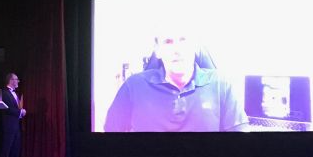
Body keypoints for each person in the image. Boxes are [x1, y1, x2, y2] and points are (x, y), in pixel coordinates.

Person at [103, 29, 246, 132]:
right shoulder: (133, 86)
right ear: (157, 51)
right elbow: (111, 136)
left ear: (195, 46)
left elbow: (239, 145)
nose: (177, 49)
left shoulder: (222, 85)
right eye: (168, 42)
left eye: (183, 40)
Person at [0, 72, 26, 157]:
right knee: (6, 146)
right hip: (8, 125)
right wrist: (20, 112)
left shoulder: (15, 93)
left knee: (16, 146)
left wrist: (20, 113)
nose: (18, 81)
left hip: (16, 124)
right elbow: (6, 109)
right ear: (11, 80)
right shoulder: (4, 93)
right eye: (16, 79)